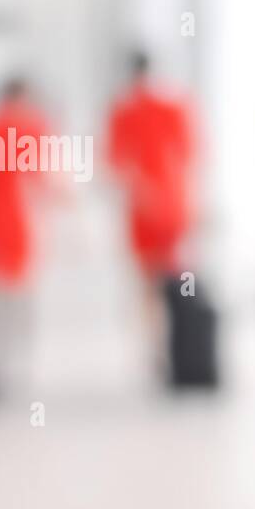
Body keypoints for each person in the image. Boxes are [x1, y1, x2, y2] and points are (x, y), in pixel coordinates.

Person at [105, 51, 197, 366]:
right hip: (172, 202)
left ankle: (157, 345)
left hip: (144, 205)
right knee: (176, 274)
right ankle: (177, 341)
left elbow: (117, 164)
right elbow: (189, 157)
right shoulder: (174, 106)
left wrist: (144, 190)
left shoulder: (124, 111)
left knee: (148, 280)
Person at [0, 77, 54, 388]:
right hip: (19, 220)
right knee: (16, 294)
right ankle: (15, 360)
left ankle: (3, 361)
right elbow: (43, 179)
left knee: (2, 295)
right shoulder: (32, 127)